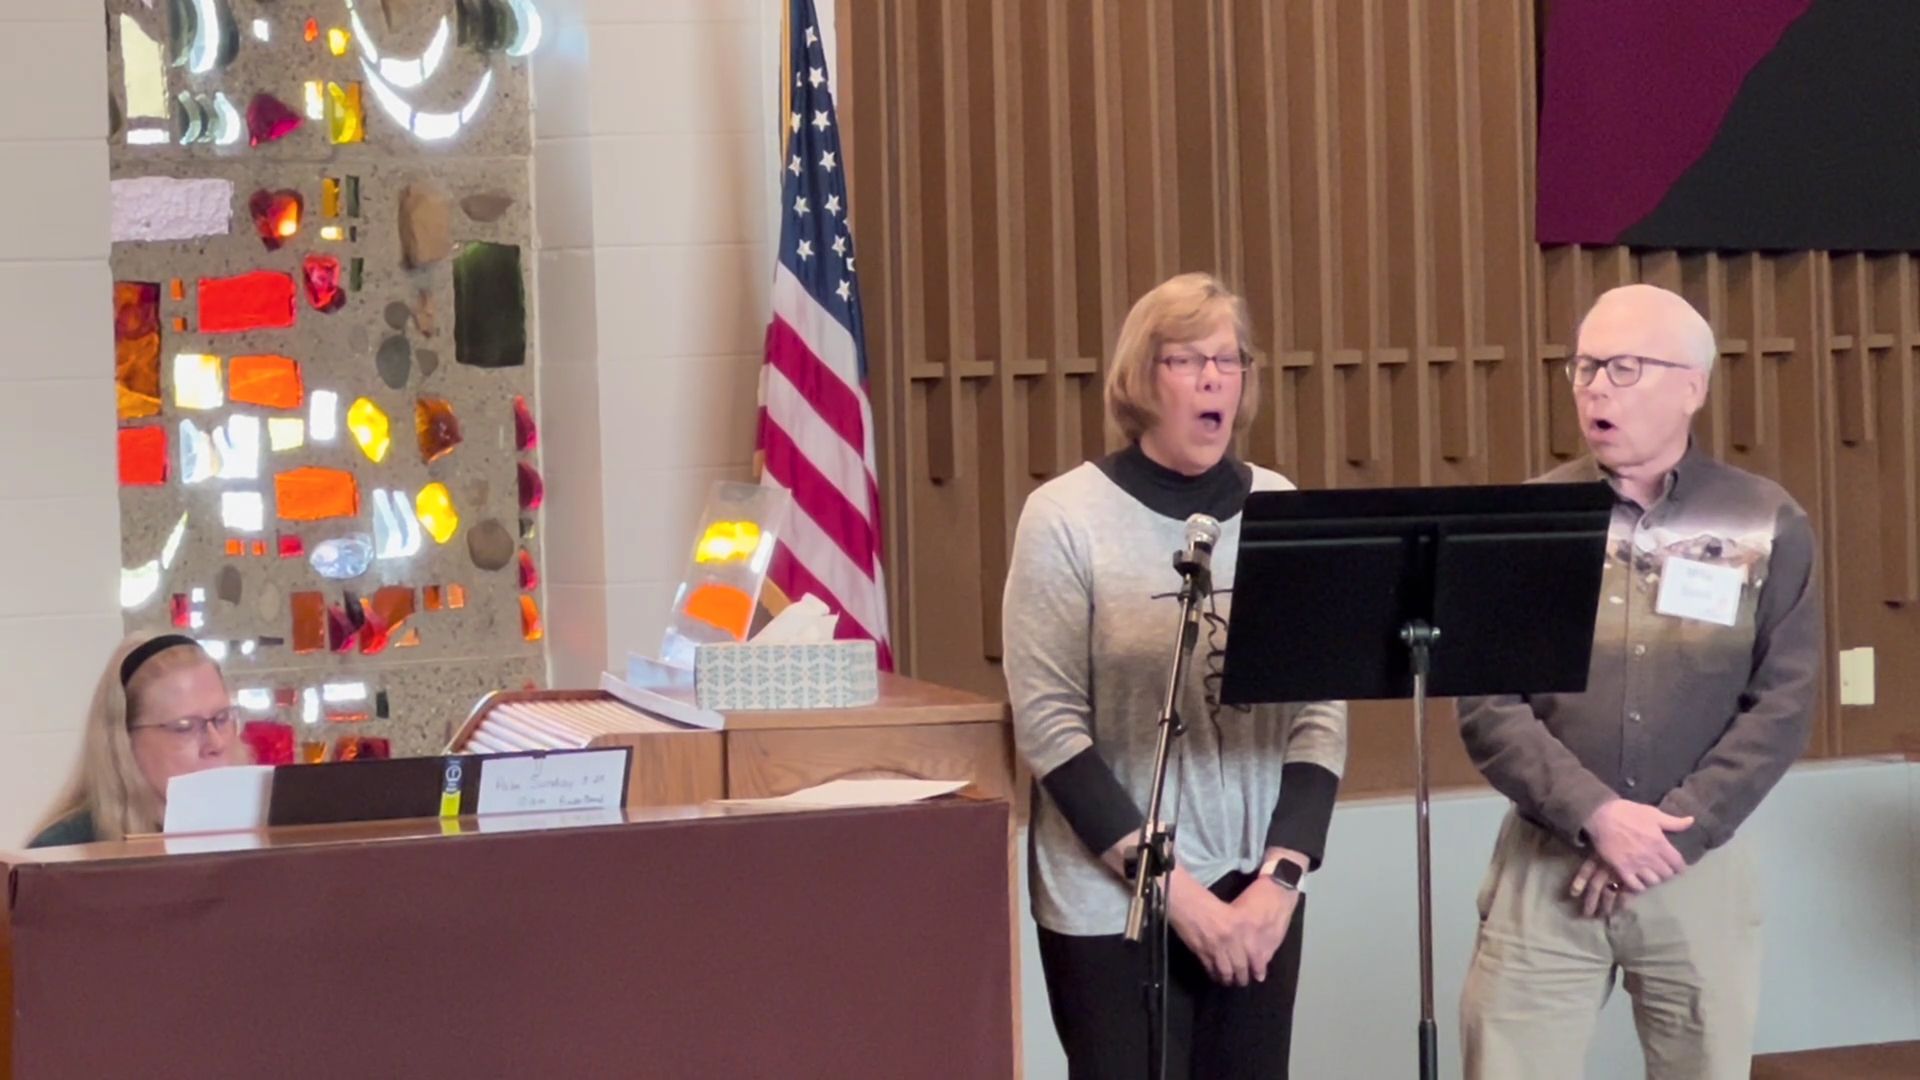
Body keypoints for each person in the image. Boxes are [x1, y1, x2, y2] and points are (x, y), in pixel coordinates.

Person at [1457, 284, 1821, 1080]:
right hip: (1546, 866)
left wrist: (1668, 833)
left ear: (1692, 386)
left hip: (1696, 864)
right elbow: (1487, 703)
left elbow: (1784, 704)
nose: (1595, 388)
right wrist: (1595, 817)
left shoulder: (1766, 519)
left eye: (1623, 368)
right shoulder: (1525, 519)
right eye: (1584, 367)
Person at [1003, 272, 1348, 1079]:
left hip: (1258, 897)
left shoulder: (1279, 505)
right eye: (1188, 360)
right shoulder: (1066, 517)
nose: (1212, 379)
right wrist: (1181, 899)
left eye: (1229, 361)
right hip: (1109, 906)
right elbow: (1049, 726)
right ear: (1141, 378)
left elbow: (1318, 710)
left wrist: (1280, 880)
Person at [28, 631, 245, 847]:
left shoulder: (255, 828)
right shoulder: (64, 850)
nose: (216, 744)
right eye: (184, 727)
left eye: (222, 719)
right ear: (124, 740)